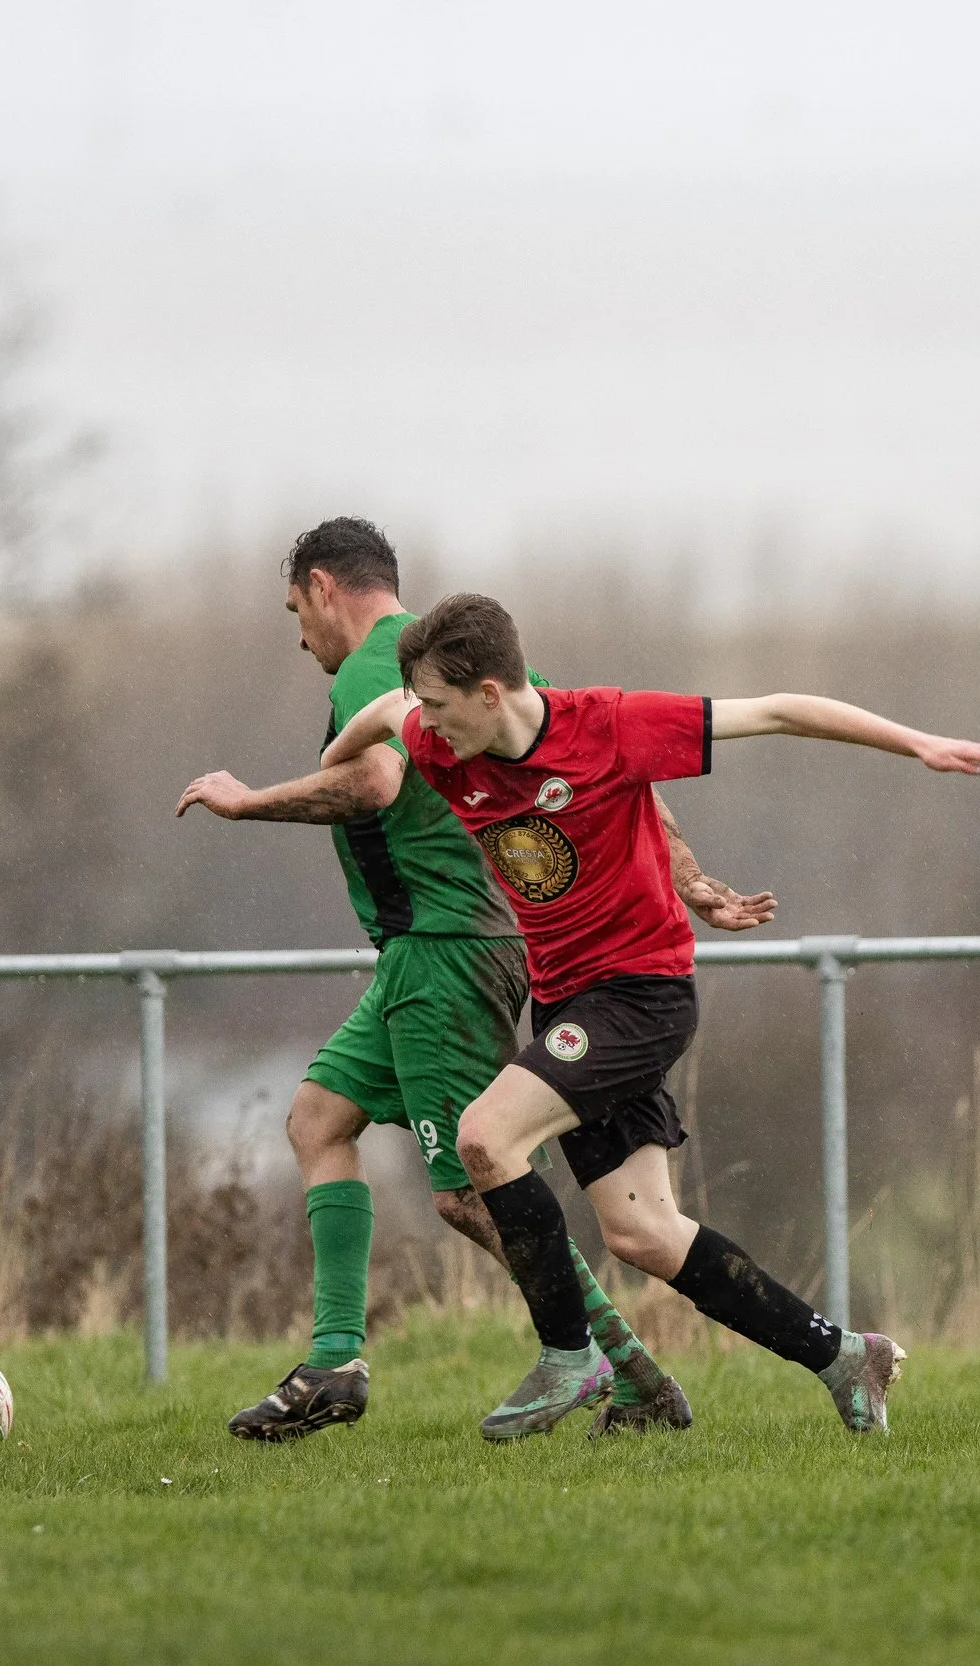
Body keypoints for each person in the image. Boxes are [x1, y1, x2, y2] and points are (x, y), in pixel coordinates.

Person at [321, 591, 980, 1439]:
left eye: (438, 703)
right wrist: (337, 748)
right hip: (567, 1006)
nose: (426, 721)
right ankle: (843, 1356)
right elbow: (380, 718)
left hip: (640, 996)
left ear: (490, 691)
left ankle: (570, 1356)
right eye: (422, 705)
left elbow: (780, 711)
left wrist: (918, 743)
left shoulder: (610, 726)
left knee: (483, 1139)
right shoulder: (435, 735)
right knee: (643, 1234)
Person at [176, 520, 775, 1440]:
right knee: (318, 1121)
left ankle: (631, 1373)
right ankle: (335, 1362)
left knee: (468, 1185)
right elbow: (607, 775)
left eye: (297, 610)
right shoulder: (428, 657)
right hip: (418, 951)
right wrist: (691, 878)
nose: (299, 636)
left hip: (449, 950)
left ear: (327, 587)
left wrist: (247, 800)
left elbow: (376, 782)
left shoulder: (383, 668)